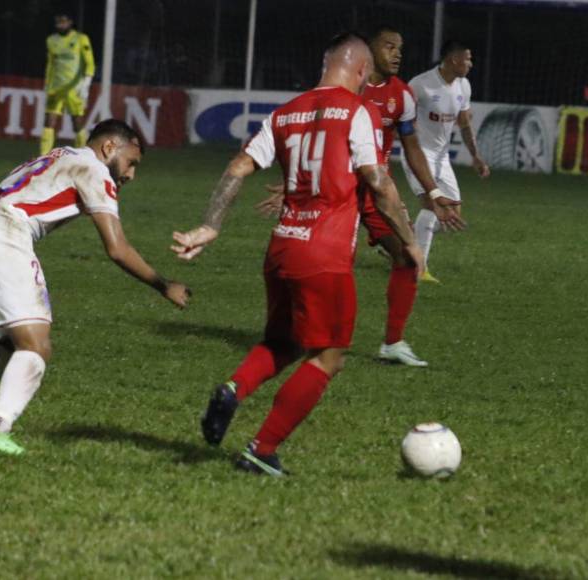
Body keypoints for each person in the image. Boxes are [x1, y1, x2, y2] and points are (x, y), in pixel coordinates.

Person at [171, 33, 422, 476]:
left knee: (283, 341)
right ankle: (261, 449)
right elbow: (378, 182)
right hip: (323, 257)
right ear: (362, 72)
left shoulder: (285, 113)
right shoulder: (358, 110)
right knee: (329, 355)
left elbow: (237, 168)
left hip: (282, 248)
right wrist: (408, 239)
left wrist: (211, 224)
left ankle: (234, 388)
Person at [0, 120, 190, 456]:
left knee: (14, 354)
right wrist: (163, 285)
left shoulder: (54, 157)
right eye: (132, 163)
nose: (130, 175)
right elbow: (117, 248)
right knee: (37, 348)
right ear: (110, 148)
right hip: (4, 238)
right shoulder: (94, 170)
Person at [257, 25, 465, 367]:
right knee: (319, 263)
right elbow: (311, 137)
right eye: (389, 46)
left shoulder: (402, 96)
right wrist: (294, 184)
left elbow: (412, 149)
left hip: (375, 191)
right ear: (368, 53)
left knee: (408, 258)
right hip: (334, 188)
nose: (397, 53)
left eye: (400, 47)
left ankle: (393, 343)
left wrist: (434, 190)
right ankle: (295, 334)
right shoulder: (345, 88)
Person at [403, 40, 490, 282]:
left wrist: (475, 155)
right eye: (468, 59)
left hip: (442, 159)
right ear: (453, 59)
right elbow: (400, 117)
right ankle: (418, 269)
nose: (471, 64)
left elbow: (463, 123)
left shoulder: (464, 85)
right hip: (419, 155)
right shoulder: (420, 85)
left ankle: (406, 242)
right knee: (433, 208)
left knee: (453, 214)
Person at [40, 13, 96, 155]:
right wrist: (47, 83)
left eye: (63, 22)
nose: (60, 25)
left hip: (74, 87)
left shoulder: (80, 39)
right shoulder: (51, 40)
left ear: (70, 22)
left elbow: (89, 62)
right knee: (49, 121)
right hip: (56, 88)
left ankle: (83, 154)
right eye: (58, 23)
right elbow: (51, 64)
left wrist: (86, 85)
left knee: (77, 122)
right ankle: (43, 157)